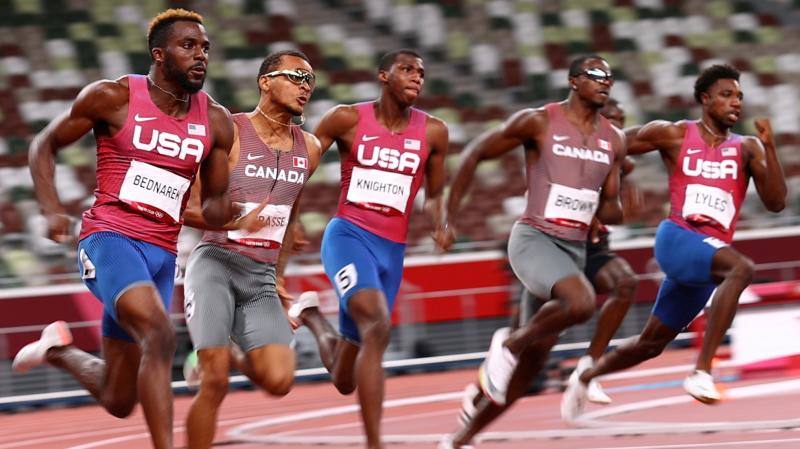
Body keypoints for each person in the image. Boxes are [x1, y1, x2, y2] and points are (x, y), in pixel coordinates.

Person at [13, 9, 233, 449]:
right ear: (159, 54)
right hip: (109, 239)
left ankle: (57, 350)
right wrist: (51, 209)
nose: (201, 56)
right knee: (160, 335)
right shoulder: (112, 97)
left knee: (119, 397)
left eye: (205, 48)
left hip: (162, 255)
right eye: (188, 46)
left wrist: (238, 210)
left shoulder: (216, 120)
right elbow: (44, 143)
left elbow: (213, 205)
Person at [561, 64, 787, 422]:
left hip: (706, 259)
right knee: (742, 268)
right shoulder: (675, 134)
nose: (736, 102)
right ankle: (702, 371)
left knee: (651, 344)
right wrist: (604, 188)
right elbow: (610, 145)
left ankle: (585, 377)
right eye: (727, 95)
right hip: (679, 236)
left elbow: (776, 203)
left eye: (740, 96)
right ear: (705, 99)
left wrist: (770, 148)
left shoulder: (748, 147)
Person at [438, 55, 626, 449]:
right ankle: (508, 345)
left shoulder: (614, 140)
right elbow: (475, 153)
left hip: (572, 251)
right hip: (534, 240)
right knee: (580, 303)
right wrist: (447, 216)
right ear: (573, 81)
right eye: (595, 75)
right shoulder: (539, 121)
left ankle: (460, 438)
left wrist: (603, 207)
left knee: (530, 370)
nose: (604, 82)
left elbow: (612, 207)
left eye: (609, 77)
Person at [288, 49, 451, 449]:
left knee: (345, 378)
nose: (416, 77)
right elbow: (299, 167)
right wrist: (292, 219)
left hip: (391, 252)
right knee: (377, 326)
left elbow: (434, 194)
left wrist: (440, 223)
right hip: (349, 237)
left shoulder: (434, 132)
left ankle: (311, 316)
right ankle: (375, 443)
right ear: (383, 75)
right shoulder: (345, 119)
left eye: (421, 72)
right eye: (407, 70)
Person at [179, 49, 322, 449]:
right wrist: (235, 222)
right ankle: (214, 355)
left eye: (310, 80)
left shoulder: (310, 148)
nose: (305, 87)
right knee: (215, 382)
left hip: (259, 276)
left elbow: (291, 214)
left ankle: (227, 348)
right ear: (265, 82)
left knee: (279, 381)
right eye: (296, 77)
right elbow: (185, 206)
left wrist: (279, 277)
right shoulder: (231, 131)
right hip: (216, 264)